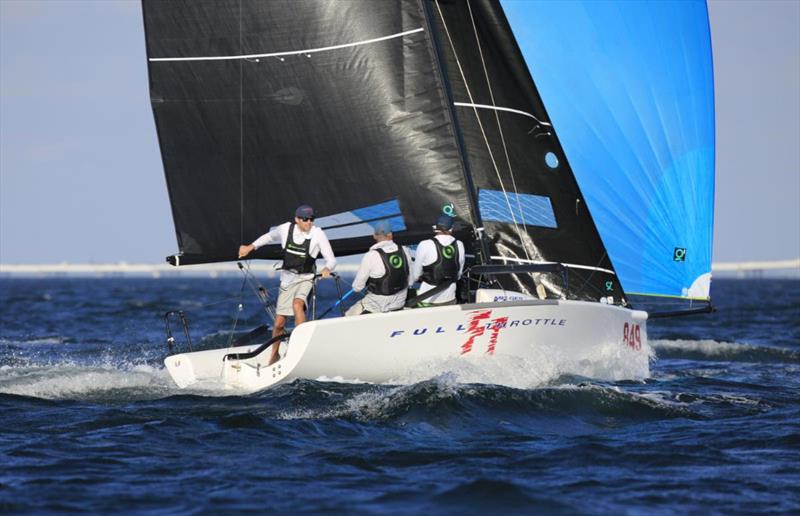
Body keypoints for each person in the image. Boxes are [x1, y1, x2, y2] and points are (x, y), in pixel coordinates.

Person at [238, 204, 335, 364]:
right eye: (305, 219)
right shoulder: (285, 229)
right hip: (287, 280)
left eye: (311, 219)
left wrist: (327, 268)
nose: (309, 222)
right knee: (278, 324)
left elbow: (331, 259)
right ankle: (274, 354)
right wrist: (250, 247)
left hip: (306, 279)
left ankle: (300, 347)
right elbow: (269, 237)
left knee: (297, 305)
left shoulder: (318, 234)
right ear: (297, 219)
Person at [346, 220, 412, 316]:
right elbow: (410, 280)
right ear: (390, 235)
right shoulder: (405, 250)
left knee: (348, 315)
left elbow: (357, 288)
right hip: (399, 302)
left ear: (374, 236)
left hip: (377, 305)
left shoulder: (371, 256)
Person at [410, 213, 465, 306]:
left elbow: (416, 275)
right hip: (450, 298)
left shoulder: (424, 244)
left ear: (436, 228)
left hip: (427, 299)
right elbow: (458, 275)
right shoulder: (459, 244)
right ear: (451, 229)